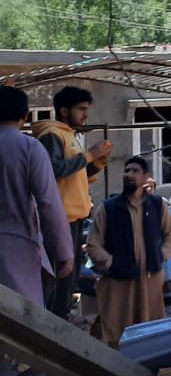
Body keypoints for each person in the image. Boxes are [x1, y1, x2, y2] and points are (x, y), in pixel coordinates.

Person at [31, 85, 111, 317]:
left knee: (70, 279)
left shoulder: (69, 135)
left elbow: (76, 174)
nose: (86, 114)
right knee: (60, 279)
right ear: (64, 111)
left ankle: (60, 321)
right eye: (81, 109)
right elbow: (53, 170)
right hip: (60, 220)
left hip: (74, 219)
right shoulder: (52, 135)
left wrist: (97, 163)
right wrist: (89, 155)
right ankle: (51, 326)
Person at [85, 156, 171, 347]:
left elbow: (169, 237)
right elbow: (93, 244)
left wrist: (159, 256)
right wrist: (111, 263)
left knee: (150, 332)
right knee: (117, 332)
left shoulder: (158, 205)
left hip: (150, 280)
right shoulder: (108, 208)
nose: (129, 174)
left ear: (146, 177)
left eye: (135, 171)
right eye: (127, 171)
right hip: (119, 283)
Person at [0, 86, 74, 306]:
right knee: (21, 321)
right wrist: (63, 252)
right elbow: (48, 203)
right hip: (18, 252)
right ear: (24, 116)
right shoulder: (29, 148)